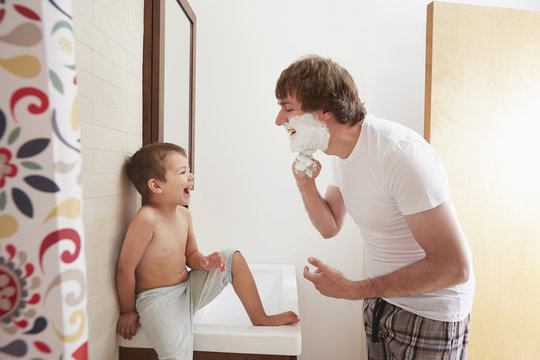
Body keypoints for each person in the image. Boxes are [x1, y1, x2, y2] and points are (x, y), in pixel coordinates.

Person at [275, 55, 475, 359]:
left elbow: (454, 267)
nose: (279, 120)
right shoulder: (341, 152)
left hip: (430, 315)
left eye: (288, 108)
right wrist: (306, 185)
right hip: (381, 299)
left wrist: (352, 290)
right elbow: (330, 226)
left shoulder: (399, 155)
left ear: (324, 111)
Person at [116, 142, 299, 360]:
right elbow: (124, 270)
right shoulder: (147, 218)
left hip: (188, 289)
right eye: (183, 172)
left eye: (189, 170)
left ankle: (260, 317)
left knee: (232, 257)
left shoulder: (183, 215)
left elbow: (191, 255)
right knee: (176, 354)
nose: (191, 176)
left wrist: (204, 262)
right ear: (156, 186)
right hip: (158, 299)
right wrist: (128, 311)